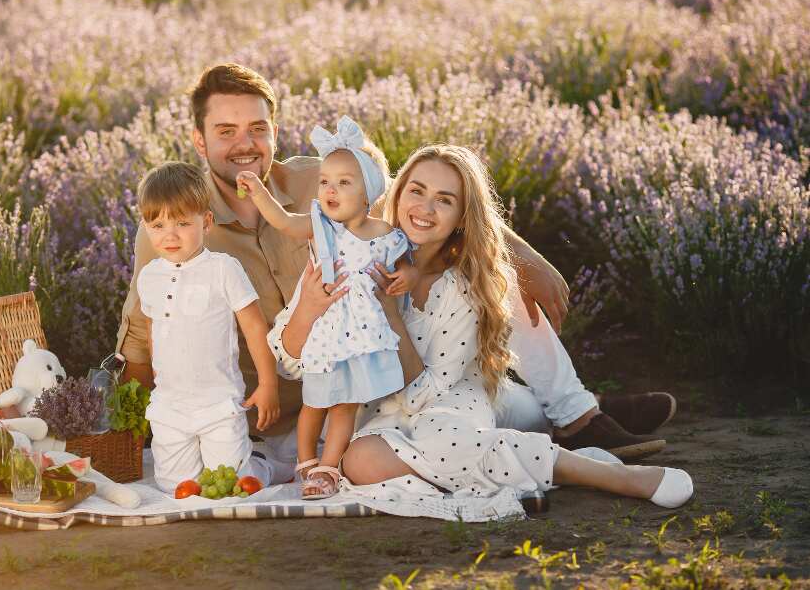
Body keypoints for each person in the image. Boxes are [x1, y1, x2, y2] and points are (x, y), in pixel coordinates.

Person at [116, 63, 672, 483]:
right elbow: (144, 334)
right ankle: (566, 420)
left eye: (257, 128)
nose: (245, 144)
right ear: (198, 139)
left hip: (372, 361)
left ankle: (578, 413)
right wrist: (135, 424)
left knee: (491, 276)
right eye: (226, 130)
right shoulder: (175, 225)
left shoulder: (318, 179)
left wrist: (523, 255)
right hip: (294, 405)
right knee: (445, 410)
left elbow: (420, 204)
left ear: (275, 130)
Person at [270, 145, 692, 516]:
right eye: (416, 191)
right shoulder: (351, 255)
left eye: (444, 200)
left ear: (460, 217)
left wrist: (391, 315)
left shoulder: (463, 286)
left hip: (453, 400)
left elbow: (430, 392)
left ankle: (600, 472)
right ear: (396, 195)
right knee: (361, 462)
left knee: (451, 437)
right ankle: (544, 455)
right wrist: (309, 307)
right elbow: (289, 364)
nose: (425, 208)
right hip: (380, 416)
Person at [236, 116, 416, 499]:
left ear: (368, 193)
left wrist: (407, 277)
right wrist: (256, 191)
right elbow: (283, 221)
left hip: (360, 336)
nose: (330, 190)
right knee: (315, 400)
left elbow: (407, 262)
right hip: (326, 331)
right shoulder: (321, 226)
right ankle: (306, 460)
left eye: (343, 183)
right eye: (324, 182)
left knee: (345, 405)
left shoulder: (384, 233)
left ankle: (329, 466)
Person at [134, 161, 280, 492]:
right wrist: (162, 381)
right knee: (176, 486)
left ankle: (264, 465)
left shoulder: (223, 269)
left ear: (207, 223)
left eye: (183, 223)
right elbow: (156, 331)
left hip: (217, 402)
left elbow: (255, 328)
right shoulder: (150, 277)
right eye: (157, 225)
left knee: (231, 483)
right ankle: (200, 457)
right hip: (172, 404)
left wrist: (268, 383)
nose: (169, 235)